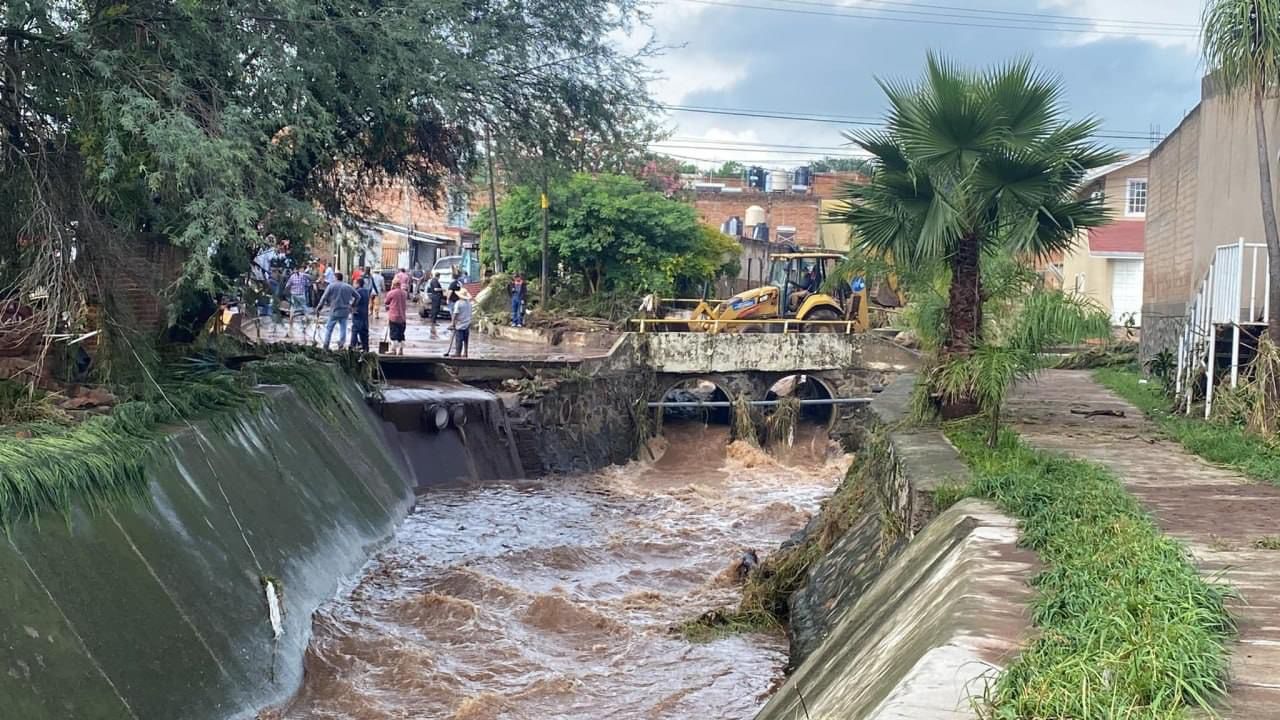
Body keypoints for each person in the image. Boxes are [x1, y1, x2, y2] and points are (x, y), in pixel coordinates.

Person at [316, 272, 356, 350]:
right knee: (343, 328)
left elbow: (324, 297)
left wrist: (319, 307)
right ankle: (341, 345)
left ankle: (326, 345)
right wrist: (352, 305)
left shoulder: (331, 286)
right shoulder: (348, 287)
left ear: (336, 278)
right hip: (345, 311)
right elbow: (358, 296)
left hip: (334, 311)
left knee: (329, 328)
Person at [384, 279, 409, 355]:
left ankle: (393, 350)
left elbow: (386, 302)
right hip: (402, 317)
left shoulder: (391, 293)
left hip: (394, 316)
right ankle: (401, 350)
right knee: (401, 334)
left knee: (393, 334)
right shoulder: (404, 293)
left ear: (393, 284)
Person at [446, 287, 472, 358]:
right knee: (466, 340)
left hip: (460, 324)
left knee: (459, 340)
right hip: (467, 324)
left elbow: (455, 314)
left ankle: (458, 353)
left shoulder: (458, 303)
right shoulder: (469, 304)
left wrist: (453, 323)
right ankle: (465, 353)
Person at [285, 267, 312, 337]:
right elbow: (308, 283)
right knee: (304, 307)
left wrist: (288, 290)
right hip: (301, 294)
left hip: (294, 295)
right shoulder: (303, 276)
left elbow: (287, 285)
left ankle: (291, 321)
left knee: (293, 308)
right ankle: (307, 319)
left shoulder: (292, 277)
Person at [350, 277, 372, 353]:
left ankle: (352, 346)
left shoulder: (357, 292)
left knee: (355, 330)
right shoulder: (367, 291)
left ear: (358, 284)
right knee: (364, 331)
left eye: (354, 283)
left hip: (358, 312)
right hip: (365, 313)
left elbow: (354, 301)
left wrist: (351, 306)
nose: (353, 285)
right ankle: (365, 347)